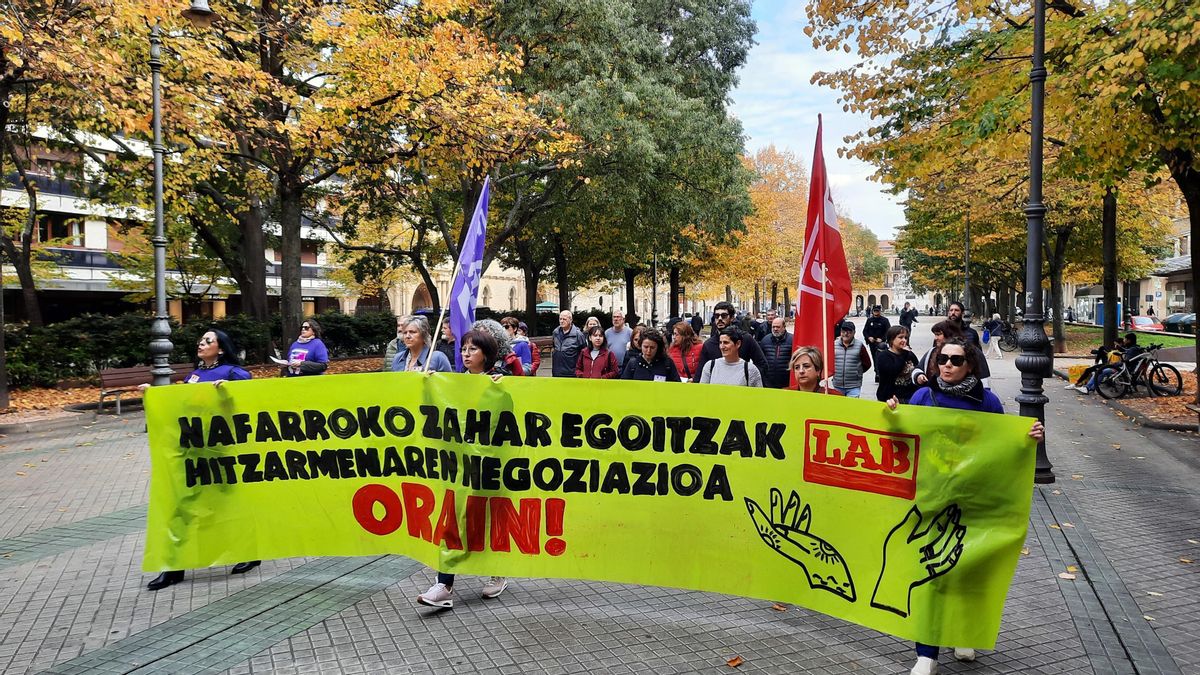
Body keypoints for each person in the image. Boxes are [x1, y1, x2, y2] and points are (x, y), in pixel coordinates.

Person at [891, 338, 1045, 675]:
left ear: (970, 366)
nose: (946, 365)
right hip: (930, 498)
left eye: (955, 360)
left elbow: (1001, 444)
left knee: (965, 571)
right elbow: (902, 441)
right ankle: (926, 654)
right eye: (942, 359)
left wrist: (1027, 436)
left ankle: (963, 633)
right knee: (929, 573)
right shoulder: (922, 397)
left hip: (972, 499)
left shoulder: (987, 402)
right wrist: (891, 417)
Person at [145, 329, 259, 590]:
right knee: (181, 507)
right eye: (201, 340)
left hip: (220, 451)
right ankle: (173, 566)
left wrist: (230, 392)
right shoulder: (194, 375)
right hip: (192, 450)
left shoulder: (233, 373)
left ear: (221, 348)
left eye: (209, 340)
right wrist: (154, 396)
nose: (202, 343)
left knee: (229, 505)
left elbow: (250, 401)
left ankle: (250, 552)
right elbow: (180, 404)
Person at [416, 329, 510, 609]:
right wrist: (430, 387)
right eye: (464, 349)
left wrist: (504, 388)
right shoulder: (451, 383)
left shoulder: (499, 384)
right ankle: (444, 584)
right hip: (455, 467)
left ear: (487, 354)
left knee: (487, 520)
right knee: (453, 519)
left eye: (473, 349)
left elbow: (510, 421)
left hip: (487, 465)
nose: (466, 354)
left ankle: (498, 572)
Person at [692, 301, 768, 383]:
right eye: (717, 316)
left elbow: (762, 364)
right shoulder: (709, 344)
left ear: (732, 318)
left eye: (724, 315)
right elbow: (700, 374)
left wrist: (746, 378)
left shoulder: (745, 339)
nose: (720, 319)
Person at [699, 327, 763, 387]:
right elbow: (703, 393)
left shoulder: (750, 370)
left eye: (726, 343)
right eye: (720, 343)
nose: (722, 347)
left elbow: (758, 396)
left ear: (738, 344)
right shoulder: (710, 366)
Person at [874, 326, 919, 404]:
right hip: (890, 399)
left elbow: (917, 368)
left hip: (909, 397)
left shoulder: (909, 354)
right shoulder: (884, 356)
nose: (904, 340)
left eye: (905, 337)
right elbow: (893, 371)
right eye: (900, 337)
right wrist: (904, 355)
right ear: (891, 339)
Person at [946, 302, 990, 382]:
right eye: (951, 310)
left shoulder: (971, 333)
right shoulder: (943, 332)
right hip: (947, 373)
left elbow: (978, 356)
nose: (953, 313)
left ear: (962, 313)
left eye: (956, 310)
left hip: (967, 376)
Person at [830, 321, 871, 398]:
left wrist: (857, 372)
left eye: (849, 332)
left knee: (852, 408)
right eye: (843, 331)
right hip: (837, 384)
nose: (845, 334)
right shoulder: (833, 345)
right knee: (839, 408)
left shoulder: (860, 346)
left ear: (854, 333)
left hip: (854, 386)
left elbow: (867, 364)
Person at [757, 316, 793, 389]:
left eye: (778, 327)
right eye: (773, 327)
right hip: (768, 383)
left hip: (786, 383)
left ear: (784, 327)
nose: (775, 329)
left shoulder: (792, 340)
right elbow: (760, 360)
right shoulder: (765, 340)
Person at [551, 310, 587, 377]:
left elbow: (584, 354)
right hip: (557, 372)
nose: (561, 321)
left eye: (564, 319)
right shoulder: (555, 332)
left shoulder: (578, 335)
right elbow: (554, 347)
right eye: (560, 319)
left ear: (570, 320)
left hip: (571, 373)